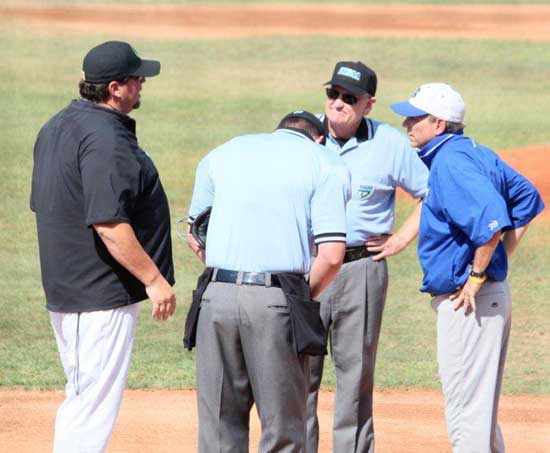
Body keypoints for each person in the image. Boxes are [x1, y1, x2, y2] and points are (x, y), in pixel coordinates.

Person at [30, 41, 176, 453]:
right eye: (136, 78)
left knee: (84, 396)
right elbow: (109, 223)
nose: (142, 83)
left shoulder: (56, 126)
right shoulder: (106, 138)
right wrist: (153, 279)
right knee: (90, 405)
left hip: (73, 291)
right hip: (97, 297)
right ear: (115, 88)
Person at [391, 82, 545, 452]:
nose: (406, 124)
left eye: (415, 117)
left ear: (439, 124)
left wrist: (477, 277)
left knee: (466, 414)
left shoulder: (450, 163)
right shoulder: (474, 151)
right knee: (479, 413)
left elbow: (491, 220)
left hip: (469, 302)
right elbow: (526, 198)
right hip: (488, 298)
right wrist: (498, 260)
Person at [185, 111, 351, 452]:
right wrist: (300, 297)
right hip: (275, 302)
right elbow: (332, 255)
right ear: (318, 137)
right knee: (283, 428)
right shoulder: (325, 162)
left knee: (218, 426)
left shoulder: (224, 152)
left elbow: (195, 234)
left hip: (214, 295)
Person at [306, 61, 429, 452]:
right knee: (296, 373)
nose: (338, 103)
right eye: (333, 93)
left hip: (361, 268)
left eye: (349, 97)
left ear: (368, 104)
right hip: (305, 267)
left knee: (355, 375)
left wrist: (400, 240)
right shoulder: (303, 135)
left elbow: (432, 192)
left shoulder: (389, 143)